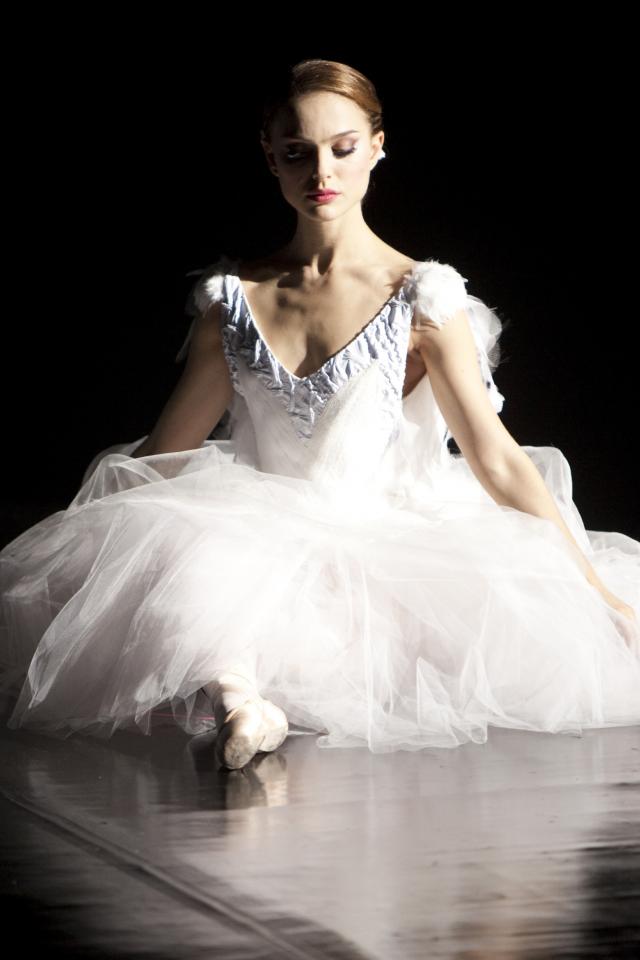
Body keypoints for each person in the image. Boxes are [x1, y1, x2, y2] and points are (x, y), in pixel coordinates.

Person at [1, 59, 639, 771]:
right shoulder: (233, 300)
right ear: (270, 156)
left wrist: (595, 593)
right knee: (192, 557)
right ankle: (242, 702)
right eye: (297, 151)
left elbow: (495, 458)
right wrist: (87, 557)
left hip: (388, 550)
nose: (321, 171)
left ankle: (241, 698)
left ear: (376, 147)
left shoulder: (421, 297)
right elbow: (166, 454)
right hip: (258, 538)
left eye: (342, 147)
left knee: (228, 575)